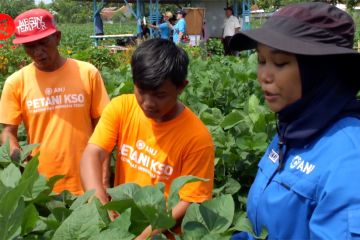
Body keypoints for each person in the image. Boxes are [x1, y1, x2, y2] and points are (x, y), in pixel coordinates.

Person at [230, 2, 360, 239]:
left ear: (321, 72)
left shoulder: (350, 162)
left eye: (280, 63)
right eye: (261, 60)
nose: (264, 76)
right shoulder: (294, 127)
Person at [80, 38, 214, 239]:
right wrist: (99, 202)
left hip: (163, 233)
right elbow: (93, 153)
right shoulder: (121, 107)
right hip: (120, 224)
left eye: (160, 95)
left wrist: (146, 235)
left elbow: (191, 199)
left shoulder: (197, 137)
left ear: (181, 87)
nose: (148, 103)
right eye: (141, 91)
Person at [0, 9, 110, 195]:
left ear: (57, 37)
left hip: (88, 183)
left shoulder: (87, 73)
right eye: (29, 46)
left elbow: (104, 129)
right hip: (41, 188)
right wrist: (19, 160)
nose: (38, 52)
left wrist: (104, 181)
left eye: (43, 43)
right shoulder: (16, 82)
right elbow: (8, 133)